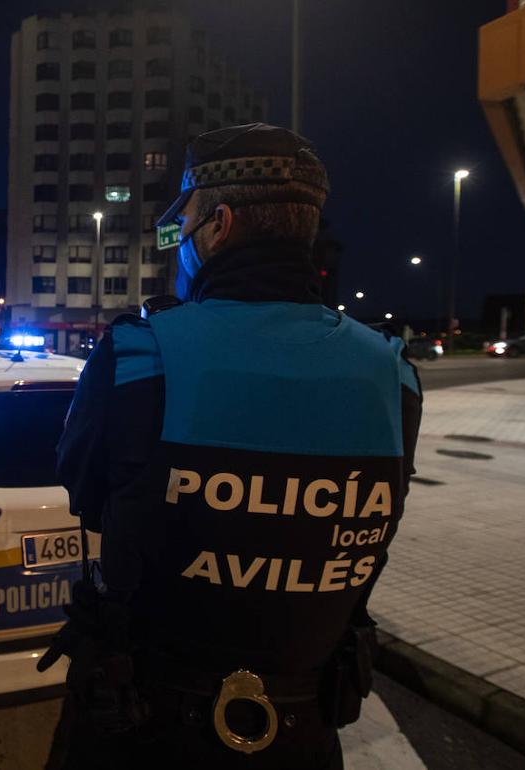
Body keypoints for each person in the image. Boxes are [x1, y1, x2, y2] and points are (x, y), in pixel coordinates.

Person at [42, 123, 423, 769]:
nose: (181, 245)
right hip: (303, 731)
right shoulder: (393, 374)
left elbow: (83, 491)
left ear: (218, 225)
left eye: (184, 225)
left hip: (141, 726)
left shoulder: (141, 354)